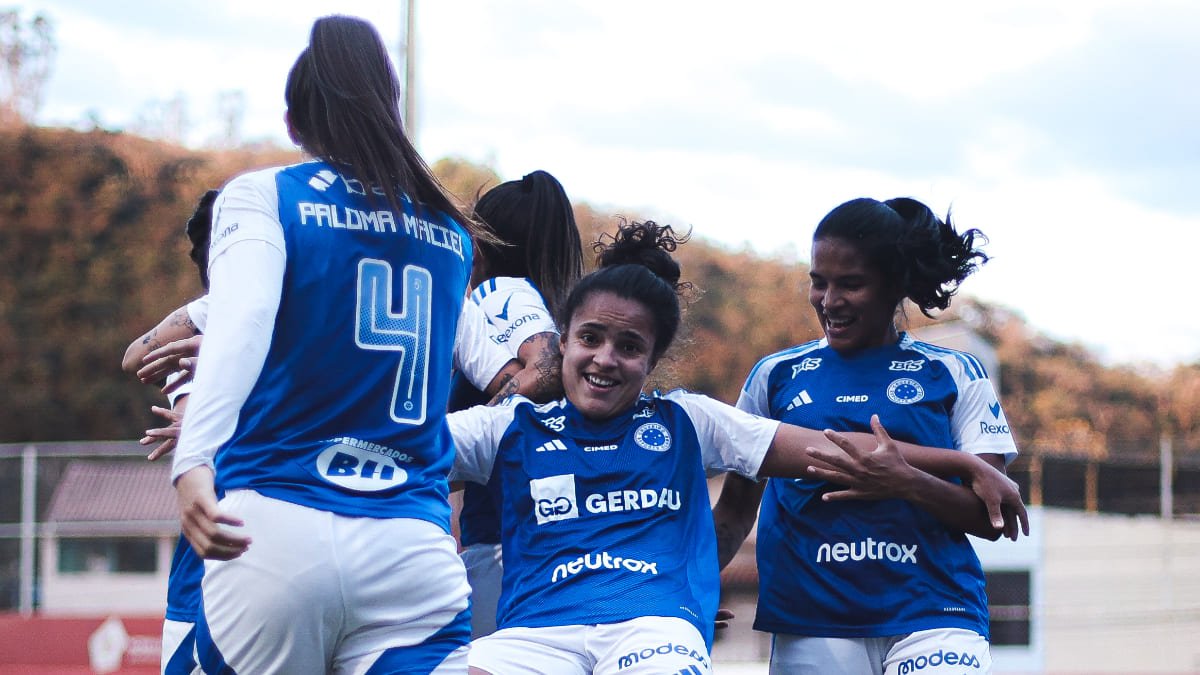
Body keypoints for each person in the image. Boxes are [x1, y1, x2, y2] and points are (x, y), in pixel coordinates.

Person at [444, 220, 1025, 675]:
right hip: (537, 635)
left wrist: (961, 462)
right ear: (562, 340)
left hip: (655, 635)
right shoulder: (508, 428)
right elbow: (400, 453)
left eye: (629, 346)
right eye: (590, 339)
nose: (604, 359)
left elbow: (827, 447)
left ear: (653, 361)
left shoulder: (689, 420)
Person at [170, 15, 492, 674]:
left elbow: (245, 317)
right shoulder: (451, 233)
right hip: (413, 545)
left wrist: (192, 457)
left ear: (294, 124)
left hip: (273, 526)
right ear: (388, 110)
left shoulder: (264, 195)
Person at [721, 197, 1025, 675]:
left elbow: (993, 519)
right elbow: (735, 511)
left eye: (851, 284)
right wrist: (686, 594)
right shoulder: (774, 376)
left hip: (934, 612)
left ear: (894, 286)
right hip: (814, 618)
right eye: (818, 282)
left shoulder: (952, 372)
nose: (829, 300)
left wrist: (905, 481)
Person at [450, 169, 584, 639]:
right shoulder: (566, 308)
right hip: (565, 540)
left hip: (506, 543)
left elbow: (547, 368)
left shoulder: (498, 291)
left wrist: (480, 426)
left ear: (483, 246)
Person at [120, 189, 215, 675]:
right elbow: (136, 358)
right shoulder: (209, 320)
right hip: (225, 524)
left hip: (253, 519)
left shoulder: (228, 315)